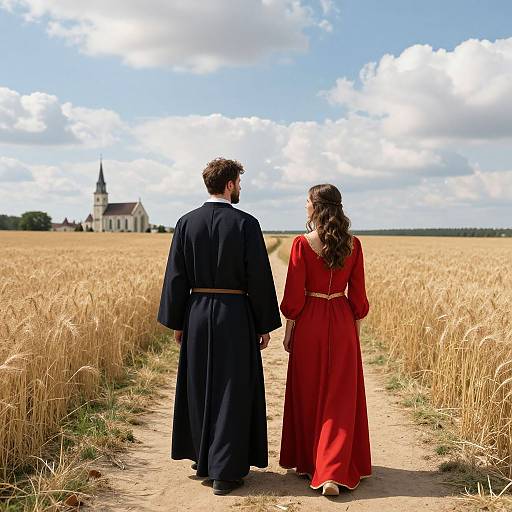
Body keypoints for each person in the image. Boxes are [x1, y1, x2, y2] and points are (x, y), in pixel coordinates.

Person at [157, 157, 281, 496]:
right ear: (229, 184)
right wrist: (264, 322)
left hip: (196, 312)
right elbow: (257, 277)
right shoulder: (246, 224)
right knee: (232, 388)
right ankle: (224, 471)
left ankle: (204, 459)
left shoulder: (186, 223)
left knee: (200, 385)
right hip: (234, 313)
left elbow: (176, 277)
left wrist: (177, 321)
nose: (240, 188)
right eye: (239, 183)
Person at [279, 183, 371, 496]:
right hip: (342, 320)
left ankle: (311, 464)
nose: (304, 205)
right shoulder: (354, 245)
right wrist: (353, 322)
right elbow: (358, 298)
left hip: (311, 323)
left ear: (316, 206)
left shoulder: (302, 244)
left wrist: (290, 330)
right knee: (340, 396)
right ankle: (334, 469)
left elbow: (293, 296)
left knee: (310, 391)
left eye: (306, 200)